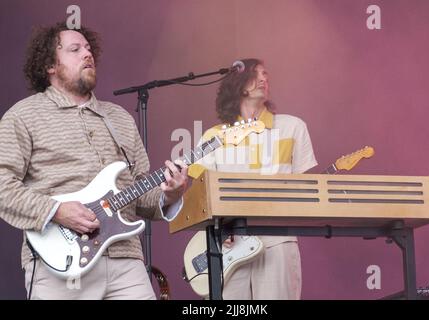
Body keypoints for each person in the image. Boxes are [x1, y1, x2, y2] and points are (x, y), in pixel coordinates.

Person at [0, 22, 188, 300]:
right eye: (75, 49)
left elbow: (139, 195)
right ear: (50, 65)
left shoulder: (120, 118)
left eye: (88, 49)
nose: (87, 54)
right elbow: (3, 186)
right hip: (60, 264)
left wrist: (170, 195)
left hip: (126, 261)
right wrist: (56, 210)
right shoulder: (24, 115)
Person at [188, 58, 317, 299]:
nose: (263, 79)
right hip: (228, 245)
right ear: (236, 84)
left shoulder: (293, 127)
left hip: (277, 241)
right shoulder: (214, 136)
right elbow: (201, 197)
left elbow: (307, 191)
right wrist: (220, 230)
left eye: (265, 74)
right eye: (254, 74)